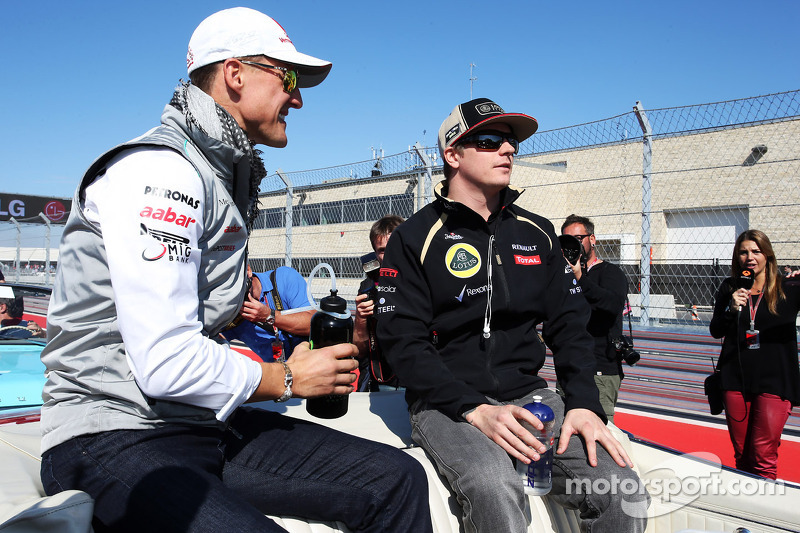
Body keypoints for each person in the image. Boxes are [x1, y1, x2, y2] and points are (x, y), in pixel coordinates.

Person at [39, 8, 432, 533]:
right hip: (111, 432)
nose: (298, 97)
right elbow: (163, 360)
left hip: (198, 424)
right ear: (235, 74)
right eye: (288, 78)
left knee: (397, 480)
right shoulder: (161, 171)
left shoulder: (218, 176)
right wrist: (287, 376)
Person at [376, 98, 649, 532]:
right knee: (493, 485)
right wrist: (474, 408)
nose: (507, 150)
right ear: (452, 154)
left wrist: (583, 403)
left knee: (621, 489)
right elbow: (401, 342)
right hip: (448, 405)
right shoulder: (414, 238)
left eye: (511, 141)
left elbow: (570, 325)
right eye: (489, 140)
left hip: (530, 398)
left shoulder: (536, 231)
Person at [709, 229, 800, 479]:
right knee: (742, 455)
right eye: (743, 252)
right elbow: (716, 330)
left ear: (767, 255)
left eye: (756, 251)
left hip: (775, 381)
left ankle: (764, 514)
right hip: (735, 380)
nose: (750, 257)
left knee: (762, 455)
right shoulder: (730, 287)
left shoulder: (789, 287)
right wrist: (731, 308)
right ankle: (746, 512)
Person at [561, 214, 628, 423]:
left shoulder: (610, 273)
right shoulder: (561, 275)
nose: (574, 244)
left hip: (600, 369)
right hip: (568, 368)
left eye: (579, 238)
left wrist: (579, 277)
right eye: (567, 240)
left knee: (600, 433)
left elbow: (611, 304)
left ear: (593, 239)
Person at [224, 264, 315, 362]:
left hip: (313, 365)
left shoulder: (284, 278)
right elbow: (214, 342)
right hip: (280, 373)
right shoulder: (228, 311)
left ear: (248, 271)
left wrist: (269, 316)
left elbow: (313, 325)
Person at [353, 214, 404, 391]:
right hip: (379, 377)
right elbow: (359, 351)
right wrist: (361, 318)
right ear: (375, 253)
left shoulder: (423, 280)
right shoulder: (368, 287)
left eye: (394, 246)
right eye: (382, 250)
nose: (388, 254)